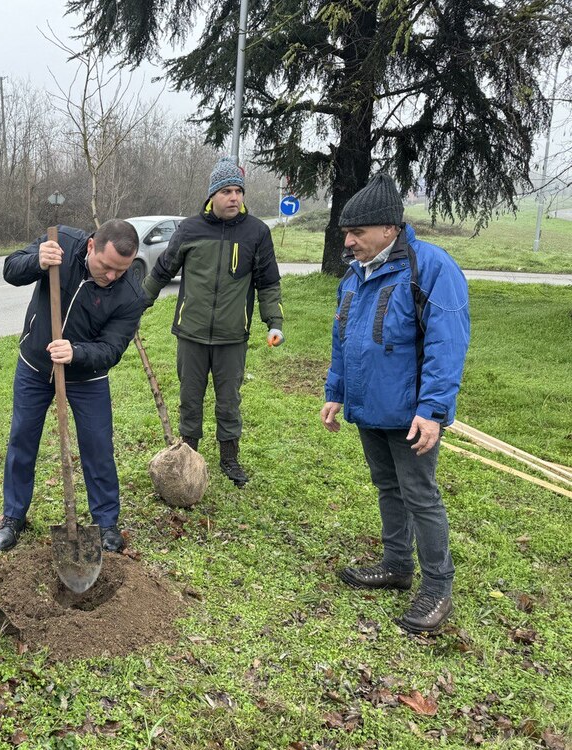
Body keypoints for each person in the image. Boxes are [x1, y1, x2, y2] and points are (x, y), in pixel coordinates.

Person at [320, 173, 470, 634]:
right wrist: (336, 392)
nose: (348, 241)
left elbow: (448, 345)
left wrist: (433, 411)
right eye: (346, 232)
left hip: (411, 414)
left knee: (420, 496)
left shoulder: (432, 268)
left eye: (356, 233)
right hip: (369, 408)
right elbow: (344, 337)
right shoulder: (356, 273)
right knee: (388, 488)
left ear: (389, 228)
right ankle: (397, 565)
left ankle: (437, 587)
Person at [0, 220, 147, 554]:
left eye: (121, 270)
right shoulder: (60, 242)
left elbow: (111, 350)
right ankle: (13, 517)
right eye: (106, 267)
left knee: (97, 448)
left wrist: (76, 352)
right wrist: (37, 261)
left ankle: (106, 522)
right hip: (34, 366)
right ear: (92, 246)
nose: (111, 277)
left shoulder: (131, 294)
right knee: (22, 439)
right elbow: (10, 270)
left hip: (86, 378)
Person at [142, 157, 284, 487]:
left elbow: (268, 282)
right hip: (190, 333)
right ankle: (188, 456)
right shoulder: (189, 230)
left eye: (238, 191)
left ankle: (229, 458)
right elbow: (162, 270)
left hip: (232, 336)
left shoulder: (257, 233)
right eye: (226, 191)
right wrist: (136, 306)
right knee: (190, 398)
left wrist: (273, 322)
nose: (234, 197)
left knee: (229, 401)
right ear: (212, 196)